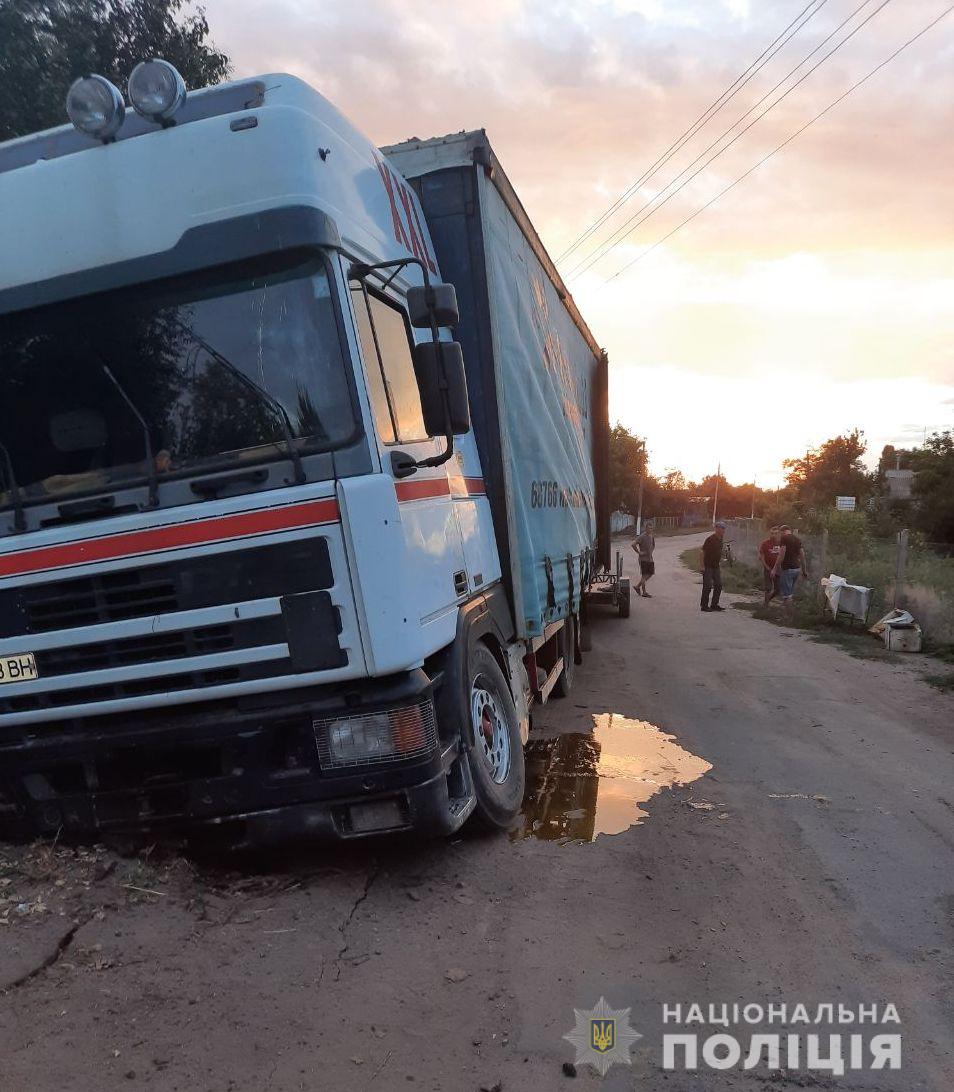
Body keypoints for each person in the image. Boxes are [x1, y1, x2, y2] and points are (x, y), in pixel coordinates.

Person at [778, 524, 809, 621]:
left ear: (783, 531)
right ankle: (785, 614)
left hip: (787, 569)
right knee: (790, 592)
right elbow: (803, 556)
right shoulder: (797, 540)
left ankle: (788, 617)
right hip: (797, 569)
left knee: (787, 595)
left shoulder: (784, 538)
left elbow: (781, 554)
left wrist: (776, 567)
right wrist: (804, 571)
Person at [701, 521, 726, 612]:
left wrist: (721, 560)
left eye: (723, 528)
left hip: (716, 566)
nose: (722, 530)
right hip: (708, 566)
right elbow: (703, 552)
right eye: (721, 528)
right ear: (716, 529)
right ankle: (704, 606)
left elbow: (719, 552)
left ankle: (714, 604)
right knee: (707, 586)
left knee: (718, 585)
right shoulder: (710, 539)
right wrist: (702, 566)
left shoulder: (721, 539)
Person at [758, 525, 783, 608]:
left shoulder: (781, 543)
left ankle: (768, 599)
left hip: (778, 568)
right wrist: (766, 566)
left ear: (778, 534)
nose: (774, 535)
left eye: (776, 533)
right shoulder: (765, 543)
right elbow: (761, 556)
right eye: (772, 533)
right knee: (768, 588)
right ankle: (766, 605)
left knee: (778, 589)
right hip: (768, 567)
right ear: (770, 534)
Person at [632, 520, 656, 597]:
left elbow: (653, 545)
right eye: (648, 528)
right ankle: (644, 592)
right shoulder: (642, 536)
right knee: (644, 575)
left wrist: (651, 551)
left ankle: (637, 586)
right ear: (645, 528)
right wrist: (639, 552)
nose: (650, 530)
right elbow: (633, 544)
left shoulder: (651, 536)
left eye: (651, 528)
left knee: (651, 573)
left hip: (650, 558)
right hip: (643, 559)